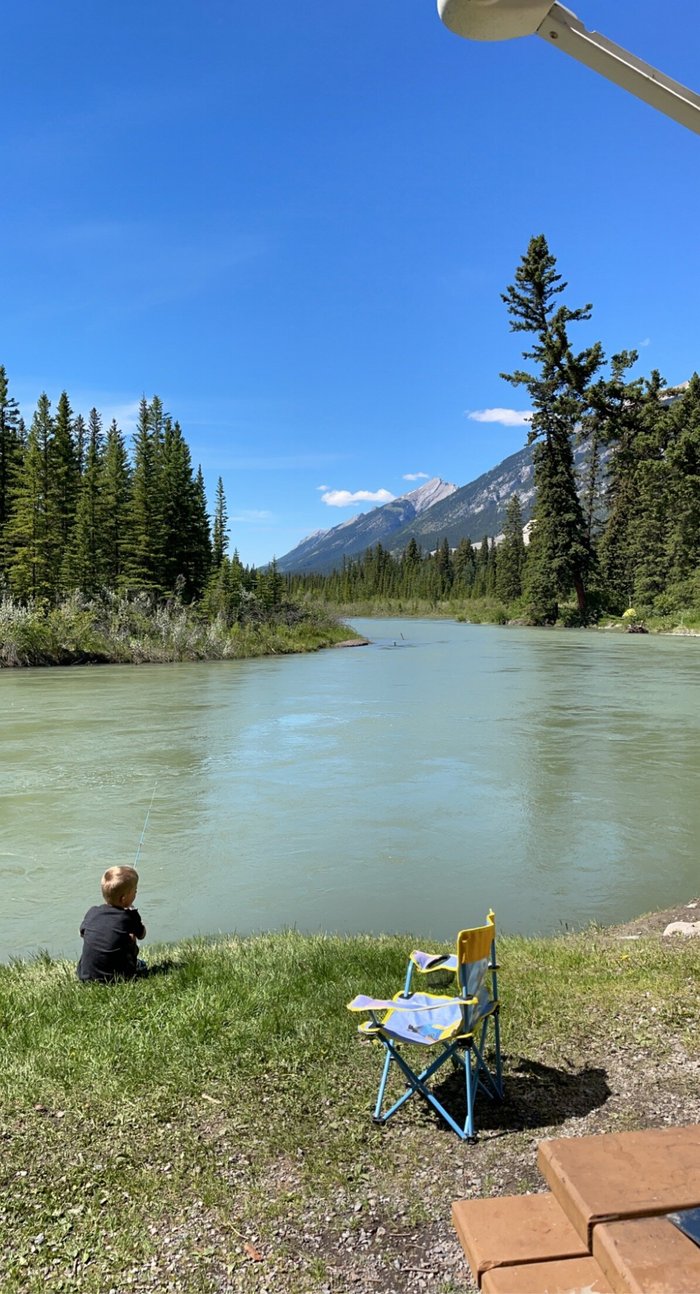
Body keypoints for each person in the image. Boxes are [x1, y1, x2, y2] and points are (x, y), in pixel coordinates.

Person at [77, 865, 147, 983]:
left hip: (85, 976)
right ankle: (133, 966)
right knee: (131, 936)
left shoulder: (92, 912)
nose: (136, 892)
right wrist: (135, 918)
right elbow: (142, 934)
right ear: (124, 898)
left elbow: (82, 933)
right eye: (134, 891)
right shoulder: (129, 916)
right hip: (117, 978)